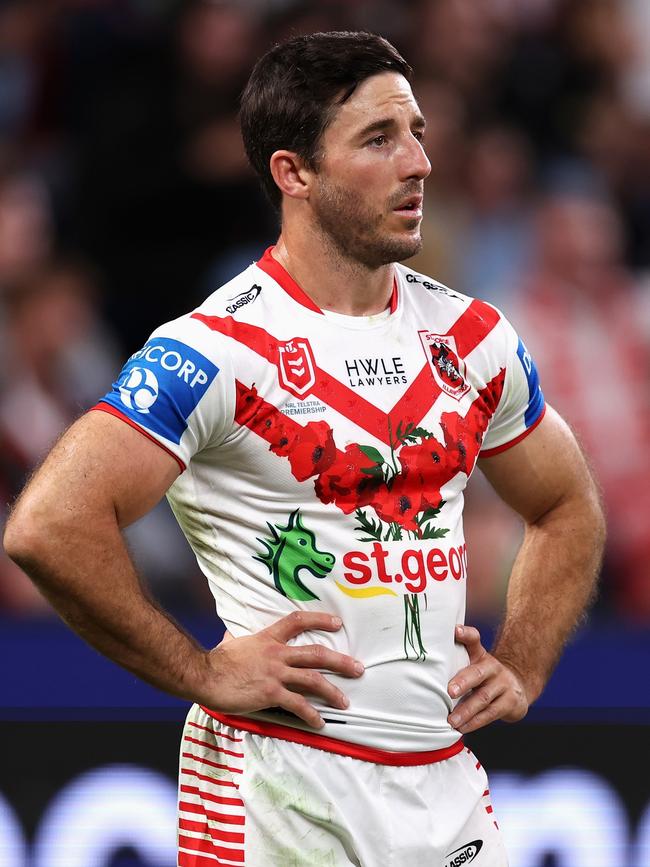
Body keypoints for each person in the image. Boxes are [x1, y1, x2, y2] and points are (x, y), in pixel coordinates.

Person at [4, 31, 605, 867]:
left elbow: (567, 504)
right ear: (294, 174)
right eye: (378, 139)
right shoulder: (217, 347)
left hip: (444, 784)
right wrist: (203, 671)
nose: (420, 163)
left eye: (418, 132)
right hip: (275, 786)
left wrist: (527, 660)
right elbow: (47, 526)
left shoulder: (475, 339)